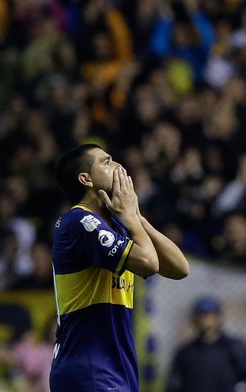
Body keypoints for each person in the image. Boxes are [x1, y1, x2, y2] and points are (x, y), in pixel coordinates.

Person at [50, 143, 189, 391]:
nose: (118, 166)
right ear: (86, 179)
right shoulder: (80, 221)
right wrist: (132, 219)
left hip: (116, 370)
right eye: (106, 161)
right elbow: (149, 263)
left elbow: (180, 268)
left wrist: (136, 217)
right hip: (90, 370)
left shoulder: (118, 225)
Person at [166, 296, 246, 392]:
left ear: (218, 318)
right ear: (194, 320)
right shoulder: (186, 352)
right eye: (202, 316)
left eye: (210, 316)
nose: (206, 321)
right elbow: (174, 384)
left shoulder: (232, 348)